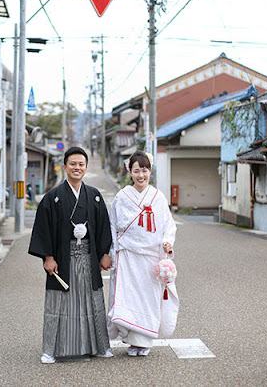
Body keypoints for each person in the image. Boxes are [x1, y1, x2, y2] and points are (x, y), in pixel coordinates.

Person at [28, 146, 113, 364]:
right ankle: (50, 349)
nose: (77, 167)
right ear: (64, 167)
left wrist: (104, 253)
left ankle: (99, 346)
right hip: (62, 258)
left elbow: (104, 226)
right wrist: (48, 257)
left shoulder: (93, 196)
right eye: (72, 164)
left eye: (81, 164)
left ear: (86, 168)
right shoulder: (53, 197)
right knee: (58, 303)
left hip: (88, 257)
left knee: (92, 302)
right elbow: (43, 228)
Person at [107, 150, 179, 357]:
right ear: (130, 172)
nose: (141, 175)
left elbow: (168, 224)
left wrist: (167, 242)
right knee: (128, 296)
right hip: (128, 256)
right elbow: (113, 226)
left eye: (144, 170)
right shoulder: (122, 197)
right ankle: (131, 339)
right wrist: (113, 251)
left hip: (151, 257)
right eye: (136, 171)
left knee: (148, 298)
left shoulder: (157, 197)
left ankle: (144, 341)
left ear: (150, 171)